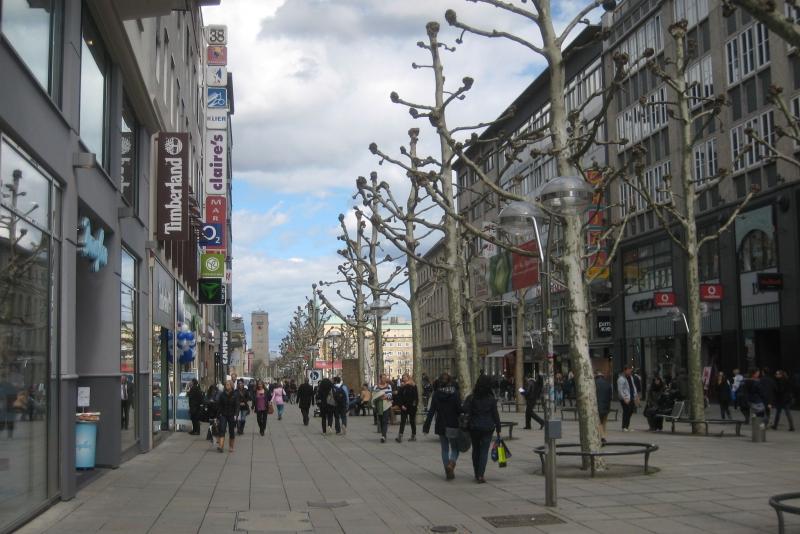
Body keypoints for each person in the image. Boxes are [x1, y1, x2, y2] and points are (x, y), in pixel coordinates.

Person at [423, 373, 462, 480]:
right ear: (450, 381)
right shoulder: (455, 393)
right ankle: (451, 463)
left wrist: (426, 426)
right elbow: (459, 409)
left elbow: (431, 411)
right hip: (453, 424)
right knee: (455, 448)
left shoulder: (436, 394)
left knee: (444, 449)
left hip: (441, 424)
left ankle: (447, 470)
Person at [464, 375, 501, 483]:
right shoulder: (491, 399)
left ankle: (476, 472)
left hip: (474, 427)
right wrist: (498, 428)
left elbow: (465, 409)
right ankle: (480, 475)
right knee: (484, 451)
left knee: (476, 450)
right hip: (487, 427)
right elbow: (495, 414)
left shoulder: (472, 397)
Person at [216, 380, 239, 452]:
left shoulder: (235, 395)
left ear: (231, 386)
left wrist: (236, 414)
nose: (227, 386)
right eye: (226, 384)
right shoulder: (222, 394)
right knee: (222, 429)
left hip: (232, 415)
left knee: (231, 431)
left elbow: (237, 406)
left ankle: (231, 446)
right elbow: (219, 405)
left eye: (228, 384)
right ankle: (221, 446)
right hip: (223, 414)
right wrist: (218, 415)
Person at [395, 373, 418, 442]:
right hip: (404, 406)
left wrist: (414, 405)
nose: (403, 379)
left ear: (408, 378)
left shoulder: (413, 386)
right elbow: (399, 397)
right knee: (403, 421)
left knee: (412, 421)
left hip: (412, 407)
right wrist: (401, 405)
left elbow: (416, 397)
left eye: (405, 377)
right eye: (403, 377)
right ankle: (400, 436)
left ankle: (413, 436)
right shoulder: (402, 387)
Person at [617, 365, 639, 431]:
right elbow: (620, 390)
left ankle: (627, 426)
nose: (630, 372)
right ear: (625, 370)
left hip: (631, 397)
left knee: (631, 411)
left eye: (631, 371)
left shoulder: (631, 377)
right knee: (626, 411)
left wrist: (636, 396)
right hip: (625, 398)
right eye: (629, 370)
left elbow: (633, 386)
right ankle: (624, 426)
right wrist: (624, 398)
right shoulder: (621, 379)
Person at [373, 374, 393, 443]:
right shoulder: (376, 386)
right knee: (381, 420)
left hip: (386, 405)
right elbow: (374, 395)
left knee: (385, 420)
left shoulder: (389, 386)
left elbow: (390, 395)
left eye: (385, 378)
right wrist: (379, 397)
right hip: (379, 405)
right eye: (383, 378)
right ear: (380, 379)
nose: (384, 379)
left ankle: (383, 436)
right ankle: (383, 434)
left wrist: (386, 397)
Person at [594, 371, 612, 443]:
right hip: (606, 406)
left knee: (599, 422)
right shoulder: (607, 383)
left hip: (598, 406)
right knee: (604, 422)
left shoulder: (594, 383)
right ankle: (603, 435)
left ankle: (602, 437)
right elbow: (610, 396)